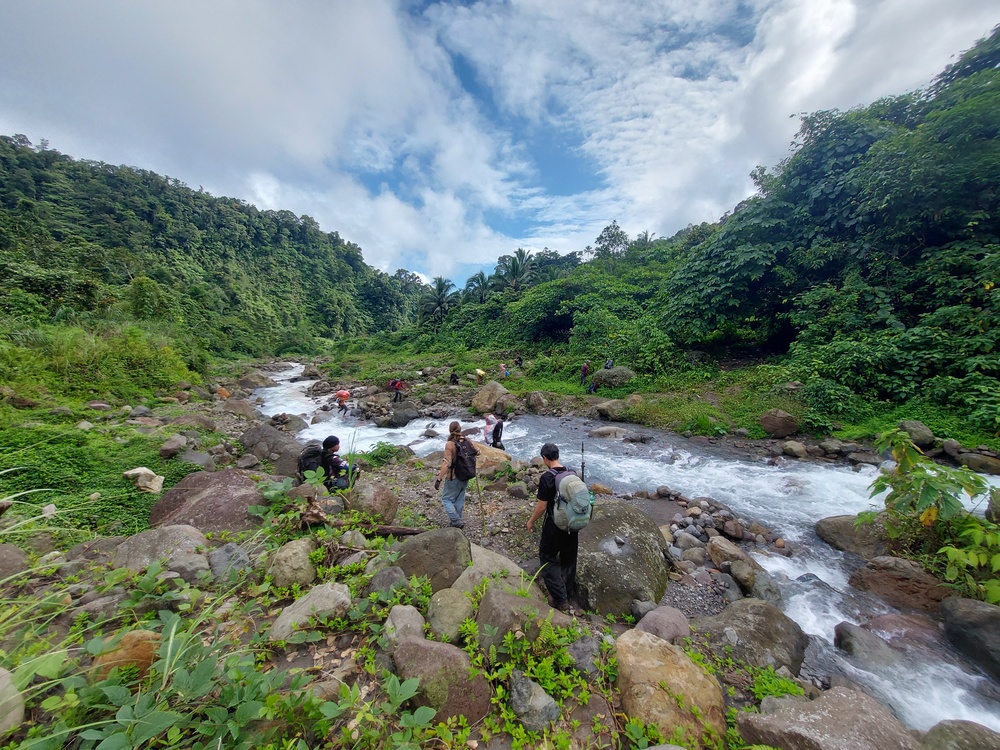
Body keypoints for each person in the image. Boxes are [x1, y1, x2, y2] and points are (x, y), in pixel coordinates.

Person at [527, 443, 581, 615]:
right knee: (569, 559)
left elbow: (542, 506)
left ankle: (561, 600)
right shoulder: (572, 473)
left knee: (548, 558)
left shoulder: (547, 477)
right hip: (573, 524)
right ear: (557, 455)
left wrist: (531, 522)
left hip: (555, 525)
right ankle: (569, 595)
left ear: (544, 458)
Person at [434, 421, 479, 528]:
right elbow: (478, 451)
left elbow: (447, 464)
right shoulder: (467, 440)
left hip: (453, 476)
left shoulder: (450, 444)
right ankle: (458, 521)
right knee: (460, 498)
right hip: (466, 474)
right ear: (460, 429)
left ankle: (456, 521)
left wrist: (439, 479)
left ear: (450, 430)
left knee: (446, 499)